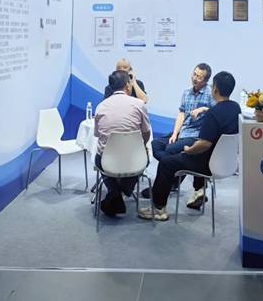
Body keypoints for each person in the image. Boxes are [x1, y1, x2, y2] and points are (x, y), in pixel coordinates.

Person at [138, 71, 241, 221]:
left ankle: (158, 209)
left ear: (215, 89)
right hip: (225, 163)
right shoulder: (236, 108)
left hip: (206, 163)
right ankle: (181, 186)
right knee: (169, 157)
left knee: (166, 163)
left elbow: (204, 144)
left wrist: (189, 150)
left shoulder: (213, 113)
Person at [94, 70, 151, 217]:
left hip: (107, 161)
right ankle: (124, 190)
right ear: (127, 85)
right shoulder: (139, 104)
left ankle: (114, 192)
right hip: (134, 160)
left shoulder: (100, 107)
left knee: (99, 159)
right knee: (145, 158)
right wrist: (141, 146)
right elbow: (146, 133)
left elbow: (98, 135)